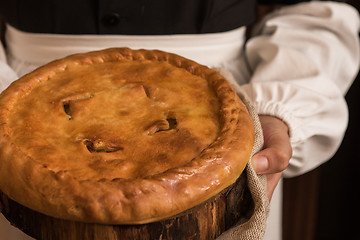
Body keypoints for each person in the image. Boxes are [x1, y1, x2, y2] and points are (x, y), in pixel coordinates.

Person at [0, 0, 359, 239]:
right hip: (28, 101)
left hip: (226, 99)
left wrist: (279, 107)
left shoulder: (236, 117)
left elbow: (313, 8)